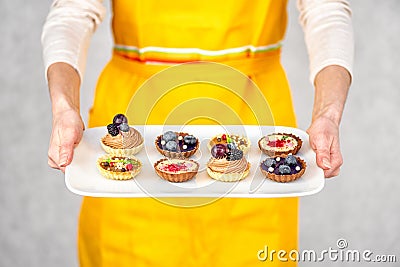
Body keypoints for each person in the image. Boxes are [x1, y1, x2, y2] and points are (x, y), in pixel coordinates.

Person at [42, 0, 353, 266]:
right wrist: (63, 105)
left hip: (253, 117)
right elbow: (71, 13)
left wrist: (328, 112)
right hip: (137, 125)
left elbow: (325, 11)